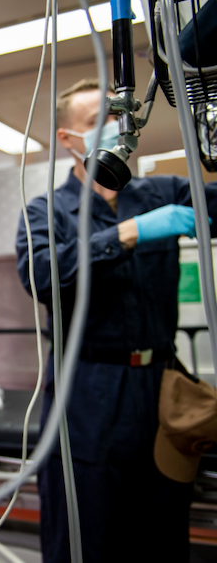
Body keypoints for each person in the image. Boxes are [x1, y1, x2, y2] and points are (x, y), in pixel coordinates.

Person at [15, 78, 217, 562]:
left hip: (159, 383)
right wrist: (127, 234)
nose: (111, 129)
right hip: (88, 389)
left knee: (162, 526)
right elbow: (42, 276)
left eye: (117, 118)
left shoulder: (158, 192)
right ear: (68, 139)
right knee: (87, 529)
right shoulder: (47, 211)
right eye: (95, 122)